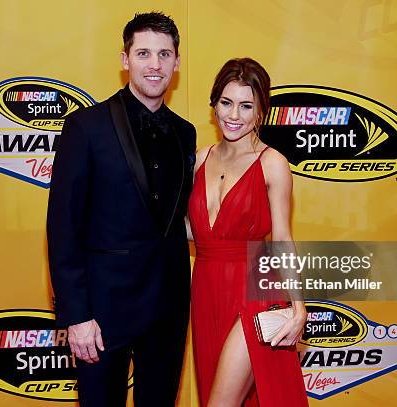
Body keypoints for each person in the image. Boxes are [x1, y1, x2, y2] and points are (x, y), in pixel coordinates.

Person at [47, 12, 196, 407]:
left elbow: (178, 217)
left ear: (177, 63)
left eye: (165, 54)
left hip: (168, 309)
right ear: (125, 59)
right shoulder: (85, 127)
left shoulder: (185, 132)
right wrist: (76, 316)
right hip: (102, 312)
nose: (155, 64)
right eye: (144, 53)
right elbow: (63, 227)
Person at [188, 58, 309, 407]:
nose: (234, 115)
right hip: (205, 290)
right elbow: (192, 231)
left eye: (246, 106)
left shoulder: (272, 163)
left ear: (260, 112)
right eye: (226, 103)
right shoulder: (199, 159)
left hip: (253, 295)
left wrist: (298, 306)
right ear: (214, 104)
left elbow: (282, 237)